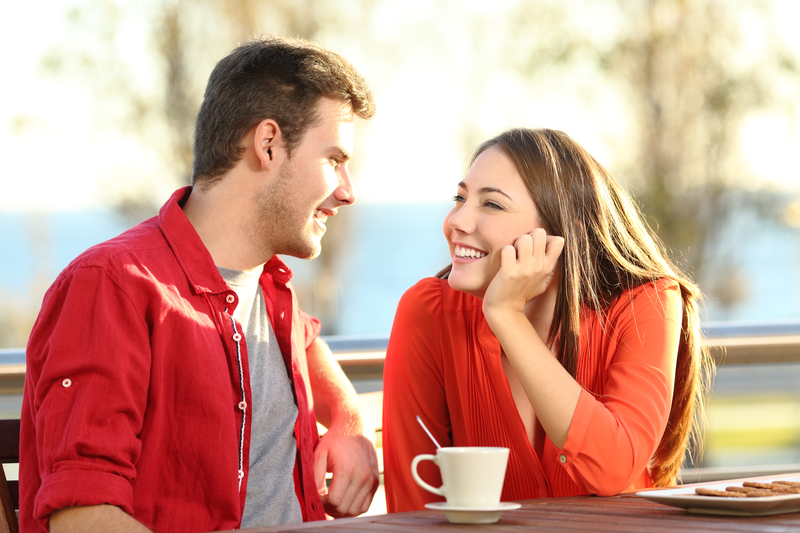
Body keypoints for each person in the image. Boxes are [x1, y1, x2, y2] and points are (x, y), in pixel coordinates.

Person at [20, 35, 379, 532]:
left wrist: (348, 421)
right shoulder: (113, 287)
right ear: (268, 143)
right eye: (334, 159)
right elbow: (84, 516)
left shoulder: (270, 289)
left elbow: (307, 341)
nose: (348, 191)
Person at [382, 128, 715, 512]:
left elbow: (613, 468)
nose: (457, 220)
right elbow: (411, 506)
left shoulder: (648, 303)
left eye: (491, 205)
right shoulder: (429, 312)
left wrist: (507, 318)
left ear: (563, 231)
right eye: (460, 198)